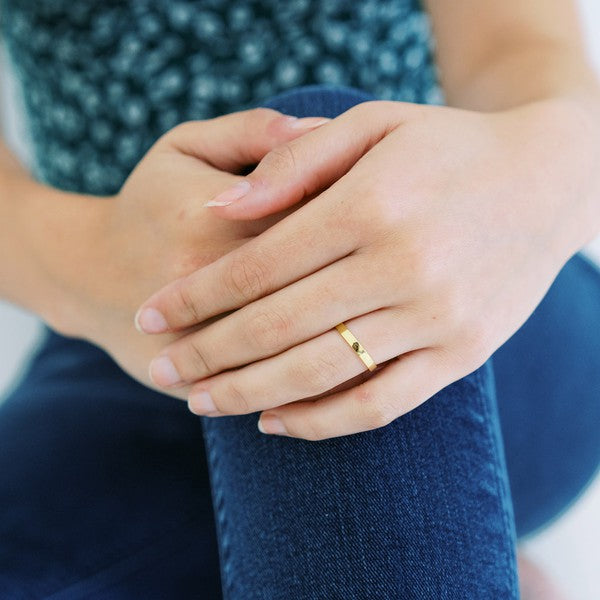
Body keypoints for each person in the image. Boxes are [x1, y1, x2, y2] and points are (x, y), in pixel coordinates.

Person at [0, 0, 599, 598]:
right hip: (125, 325)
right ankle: (463, 545)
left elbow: (524, 51)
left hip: (465, 286)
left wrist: (529, 174)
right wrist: (91, 258)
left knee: (318, 152)